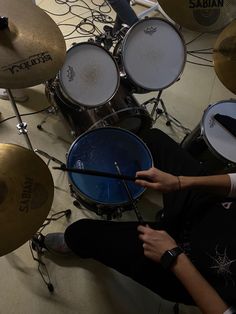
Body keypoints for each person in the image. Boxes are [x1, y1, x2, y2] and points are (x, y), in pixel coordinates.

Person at [41, 128, 236, 313]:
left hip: (189, 263)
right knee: (152, 140)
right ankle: (145, 189)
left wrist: (173, 256)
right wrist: (179, 182)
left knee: (79, 233)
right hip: (206, 207)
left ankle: (75, 243)